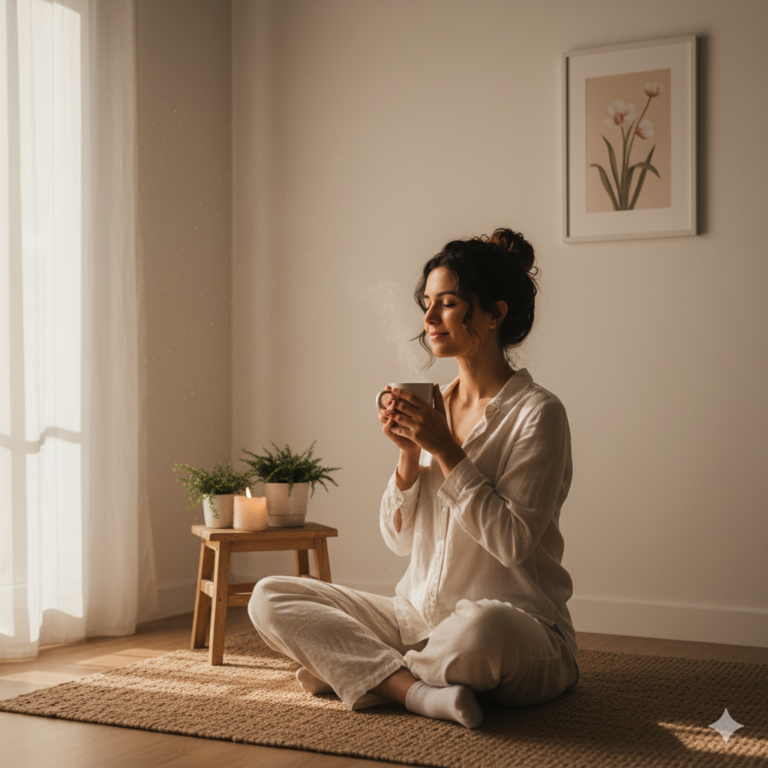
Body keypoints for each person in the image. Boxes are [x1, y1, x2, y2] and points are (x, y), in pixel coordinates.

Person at [249, 228, 579, 729]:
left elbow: (511, 543)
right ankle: (413, 690)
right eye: (426, 304)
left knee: (482, 630)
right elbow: (398, 540)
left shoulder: (538, 413)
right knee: (270, 596)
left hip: (516, 628)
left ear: (494, 314)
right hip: (414, 620)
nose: (428, 319)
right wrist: (408, 455)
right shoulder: (433, 406)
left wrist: (445, 449)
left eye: (446, 304)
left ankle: (361, 671)